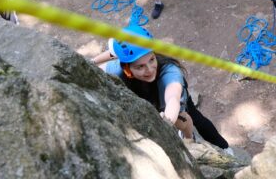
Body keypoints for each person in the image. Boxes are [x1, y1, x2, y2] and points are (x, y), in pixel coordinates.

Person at [93, 25, 230, 149]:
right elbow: (112, 54)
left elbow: (173, 98)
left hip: (169, 100)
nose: (149, 69)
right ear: (127, 68)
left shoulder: (170, 72)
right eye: (140, 66)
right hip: (148, 95)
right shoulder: (118, 69)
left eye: (152, 59)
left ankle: (222, 146)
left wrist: (166, 122)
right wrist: (91, 62)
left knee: (194, 118)